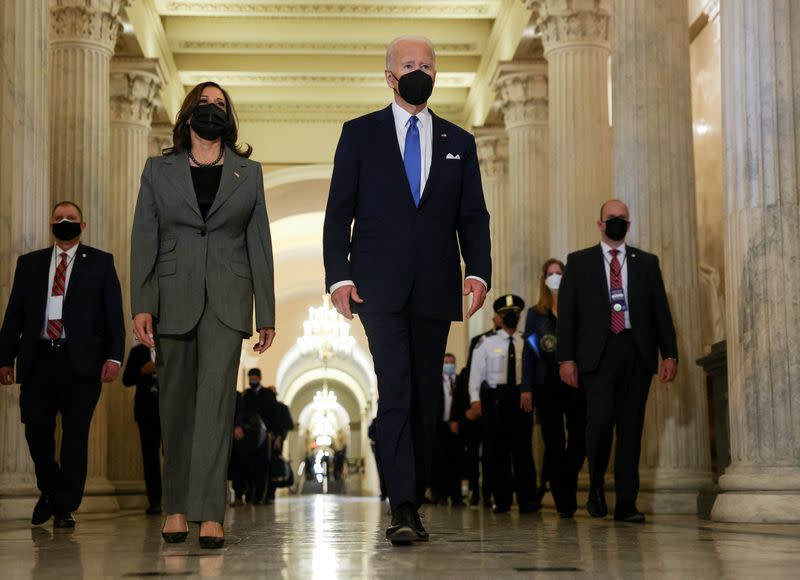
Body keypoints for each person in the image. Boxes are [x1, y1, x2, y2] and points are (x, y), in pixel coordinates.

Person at [323, 35, 491, 544]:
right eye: (408, 64)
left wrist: (478, 271)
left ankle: (412, 495)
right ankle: (404, 506)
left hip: (437, 285)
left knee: (424, 398)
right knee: (395, 387)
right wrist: (340, 276)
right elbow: (339, 211)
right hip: (379, 287)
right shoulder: (360, 134)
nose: (419, 71)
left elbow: (472, 214)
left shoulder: (459, 142)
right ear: (390, 75)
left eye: (427, 64)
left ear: (435, 75)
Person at [130, 81, 276, 548]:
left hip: (228, 301)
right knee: (174, 408)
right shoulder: (158, 170)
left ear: (229, 118)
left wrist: (266, 311)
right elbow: (144, 241)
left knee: (215, 406)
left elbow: (260, 246)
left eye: (221, 104)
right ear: (188, 112)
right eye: (205, 102)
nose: (212, 109)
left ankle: (210, 512)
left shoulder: (248, 173)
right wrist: (142, 304)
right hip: (172, 298)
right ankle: (175, 506)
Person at [0, 201, 125, 529]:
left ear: (82, 225)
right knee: (36, 428)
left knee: (75, 435)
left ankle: (65, 505)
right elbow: (14, 314)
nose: (65, 222)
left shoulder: (100, 262)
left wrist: (114, 356)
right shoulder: (30, 264)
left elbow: (113, 312)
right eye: (59, 218)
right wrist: (4, 357)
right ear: (50, 224)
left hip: (80, 361)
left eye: (71, 219)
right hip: (39, 358)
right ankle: (51, 488)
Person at [557, 199, 678, 523]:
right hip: (597, 355)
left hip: (636, 353)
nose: (616, 223)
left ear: (629, 224)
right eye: (611, 218)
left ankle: (627, 503)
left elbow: (660, 313)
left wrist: (670, 353)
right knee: (598, 425)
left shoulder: (647, 263)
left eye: (622, 219)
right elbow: (567, 316)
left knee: (631, 430)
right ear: (599, 224)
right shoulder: (579, 262)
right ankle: (596, 487)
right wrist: (565, 359)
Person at [521, 259, 586, 518]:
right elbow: (529, 353)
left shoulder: (576, 309)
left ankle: (564, 479)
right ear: (543, 279)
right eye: (550, 274)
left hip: (574, 380)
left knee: (580, 439)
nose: (555, 277)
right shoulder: (536, 314)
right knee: (554, 442)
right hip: (545, 383)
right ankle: (563, 500)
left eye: (559, 273)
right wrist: (526, 388)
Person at [469, 295, 538, 514]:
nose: (510, 317)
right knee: (498, 451)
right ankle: (502, 500)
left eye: (515, 313)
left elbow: (536, 371)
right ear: (498, 317)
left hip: (520, 399)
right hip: (495, 401)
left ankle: (527, 500)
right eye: (506, 313)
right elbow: (475, 374)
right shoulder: (486, 342)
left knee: (523, 451)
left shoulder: (529, 340)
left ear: (519, 317)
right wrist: (475, 399)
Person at [462, 316, 501, 507]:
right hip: (476, 405)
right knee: (472, 455)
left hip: (493, 406)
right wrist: (472, 403)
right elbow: (473, 373)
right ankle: (474, 491)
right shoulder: (480, 340)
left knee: (489, 453)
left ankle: (487, 492)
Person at [122, 343, 163, 515]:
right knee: (150, 458)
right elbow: (126, 380)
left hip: (170, 410)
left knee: (176, 456)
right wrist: (142, 371)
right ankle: (155, 501)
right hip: (146, 412)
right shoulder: (138, 352)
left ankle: (179, 501)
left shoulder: (169, 346)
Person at [431, 353, 466, 506]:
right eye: (446, 362)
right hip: (439, 427)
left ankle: (456, 496)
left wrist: (457, 420)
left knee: (456, 462)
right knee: (439, 462)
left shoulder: (460, 382)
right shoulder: (435, 382)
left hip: (455, 427)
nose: (449, 365)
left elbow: (463, 403)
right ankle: (440, 495)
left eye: (452, 362)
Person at [242, 369, 272, 505]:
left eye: (254, 378)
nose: (252, 380)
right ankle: (249, 494)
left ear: (259, 378)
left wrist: (273, 433)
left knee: (262, 465)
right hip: (249, 435)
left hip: (265, 436)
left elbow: (274, 414)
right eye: (250, 378)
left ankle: (259, 495)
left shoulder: (268, 394)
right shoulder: (246, 394)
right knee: (249, 465)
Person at [266, 388, 294, 503]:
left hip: (275, 444)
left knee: (273, 469)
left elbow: (288, 425)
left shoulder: (282, 408)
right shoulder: (265, 408)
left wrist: (279, 438)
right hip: (263, 442)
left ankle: (270, 494)